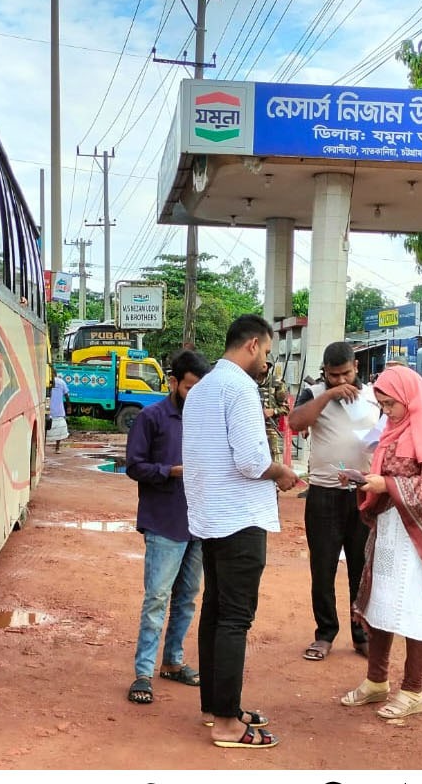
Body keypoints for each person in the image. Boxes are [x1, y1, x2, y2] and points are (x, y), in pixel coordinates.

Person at [182, 314, 300, 749]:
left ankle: (217, 708)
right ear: (252, 345)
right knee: (234, 618)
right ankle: (229, 724)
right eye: (267, 352)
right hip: (240, 518)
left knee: (215, 611)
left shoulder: (203, 388)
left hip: (212, 518)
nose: (267, 362)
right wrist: (282, 472)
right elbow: (252, 462)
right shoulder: (240, 388)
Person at [339, 364, 422, 719]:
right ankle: (376, 681)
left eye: (391, 404)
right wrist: (369, 481)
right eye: (382, 404)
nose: (386, 412)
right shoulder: (393, 429)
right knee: (380, 602)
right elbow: (391, 473)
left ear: (410, 398)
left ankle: (413, 690)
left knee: (416, 609)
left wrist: (387, 485)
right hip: (390, 531)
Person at [125, 349, 212, 705]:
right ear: (174, 382)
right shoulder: (151, 418)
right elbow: (134, 466)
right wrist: (169, 472)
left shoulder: (206, 418)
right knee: (157, 598)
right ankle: (143, 673)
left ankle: (173, 662)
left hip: (199, 523)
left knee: (188, 598)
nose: (196, 395)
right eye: (191, 388)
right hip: (164, 521)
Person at [287, 341, 379, 662]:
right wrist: (327, 395)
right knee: (323, 568)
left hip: (362, 493)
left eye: (347, 374)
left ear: (356, 369)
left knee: (361, 567)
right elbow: (295, 423)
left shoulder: (373, 395)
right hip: (324, 494)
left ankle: (360, 634)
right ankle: (325, 633)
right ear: (324, 371)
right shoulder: (314, 393)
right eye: (334, 375)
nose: (341, 381)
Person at [260, 361, 292, 462]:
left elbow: (286, 409)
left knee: (273, 462)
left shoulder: (277, 383)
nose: (263, 366)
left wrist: (273, 411)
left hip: (269, 429)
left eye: (266, 364)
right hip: (250, 429)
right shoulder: (246, 382)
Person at [46, 375, 70, 452]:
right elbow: (67, 395)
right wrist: (69, 406)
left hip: (48, 409)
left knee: (46, 428)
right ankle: (57, 448)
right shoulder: (61, 382)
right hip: (59, 410)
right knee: (60, 430)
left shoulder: (46, 380)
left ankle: (42, 448)